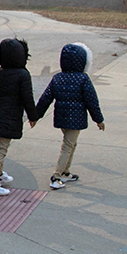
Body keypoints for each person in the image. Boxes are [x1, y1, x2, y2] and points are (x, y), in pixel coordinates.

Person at [35, 42, 105, 189]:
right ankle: (56, 176)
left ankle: (66, 172)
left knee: (71, 144)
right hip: (76, 119)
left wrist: (36, 115)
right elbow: (92, 101)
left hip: (61, 117)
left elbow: (45, 98)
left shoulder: (58, 78)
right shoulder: (83, 79)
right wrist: (98, 120)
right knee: (68, 146)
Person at [0, 38, 39, 196]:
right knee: (1, 149)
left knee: (0, 147)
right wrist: (33, 116)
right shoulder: (23, 75)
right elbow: (27, 99)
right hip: (9, 119)